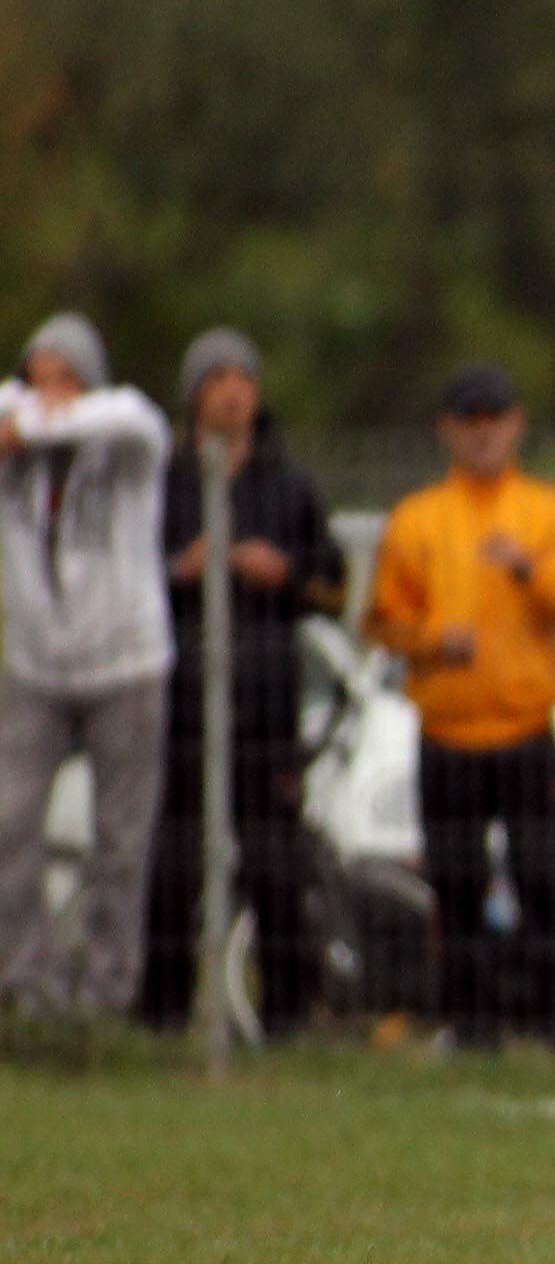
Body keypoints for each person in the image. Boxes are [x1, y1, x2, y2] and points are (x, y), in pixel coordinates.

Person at [365, 365, 555, 1049]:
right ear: (448, 429)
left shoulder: (549, 512)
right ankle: (473, 1029)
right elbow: (382, 620)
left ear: (517, 424)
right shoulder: (417, 518)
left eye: (495, 418)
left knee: (550, 886)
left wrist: (531, 571)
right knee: (456, 889)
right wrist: (430, 641)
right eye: (469, 420)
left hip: (526, 730)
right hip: (447, 732)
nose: (483, 433)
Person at [140, 331, 347, 1035]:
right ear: (195, 395)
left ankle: (289, 1014)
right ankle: (161, 1015)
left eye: (244, 379)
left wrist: (284, 573)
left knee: (274, 864)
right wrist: (181, 572)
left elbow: (335, 588)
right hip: (181, 706)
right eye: (218, 379)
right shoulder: (161, 485)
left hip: (265, 708)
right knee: (172, 864)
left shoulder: (289, 486)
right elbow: (131, 587)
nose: (233, 392)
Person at [0, 314, 175, 1020]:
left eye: (65, 380)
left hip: (126, 665)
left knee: (120, 842)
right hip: (36, 667)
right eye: (36, 380)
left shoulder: (124, 444)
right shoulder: (16, 457)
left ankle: (106, 998)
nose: (50, 397)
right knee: (9, 825)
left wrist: (32, 422)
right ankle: (29, 985)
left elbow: (136, 416)